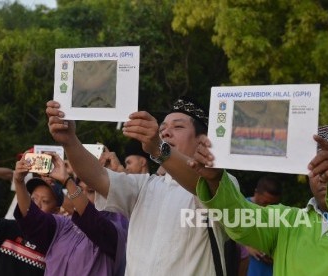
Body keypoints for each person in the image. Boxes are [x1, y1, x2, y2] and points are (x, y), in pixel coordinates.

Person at [46, 97, 237, 275]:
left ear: (203, 141)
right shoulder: (144, 186)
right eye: (162, 129)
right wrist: (69, 141)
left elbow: (201, 185)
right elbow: (97, 176)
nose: (166, 132)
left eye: (178, 126)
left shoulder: (222, 183)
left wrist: (158, 148)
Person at [189, 125, 328, 275]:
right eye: (317, 167)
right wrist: (215, 180)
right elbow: (238, 218)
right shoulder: (286, 221)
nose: (325, 176)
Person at [13, 151, 127, 275]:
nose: (83, 195)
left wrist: (67, 181)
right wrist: (19, 182)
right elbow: (31, 218)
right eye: (80, 189)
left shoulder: (117, 230)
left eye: (90, 191)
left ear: (107, 194)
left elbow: (93, 221)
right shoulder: (63, 224)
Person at [244, 175, 282, 276]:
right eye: (265, 203)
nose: (269, 208)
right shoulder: (242, 208)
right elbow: (227, 234)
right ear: (256, 192)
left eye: (273, 205)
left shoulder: (280, 213)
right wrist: (247, 247)